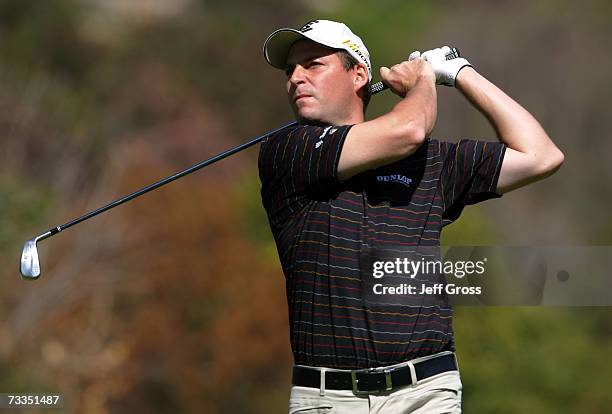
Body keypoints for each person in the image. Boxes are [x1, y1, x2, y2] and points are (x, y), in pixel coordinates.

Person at [258, 19, 564, 413]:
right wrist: (424, 80)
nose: (296, 78)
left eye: (313, 64)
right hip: (326, 398)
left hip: (425, 393)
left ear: (359, 76)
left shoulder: (430, 163)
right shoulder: (287, 151)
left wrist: (458, 72)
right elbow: (410, 129)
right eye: (290, 70)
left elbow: (541, 155)